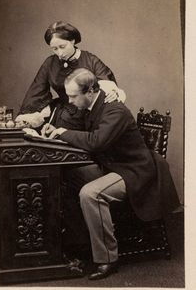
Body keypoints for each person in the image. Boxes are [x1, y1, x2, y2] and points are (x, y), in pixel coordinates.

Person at [41, 68, 180, 280]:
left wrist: (63, 133)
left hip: (136, 170)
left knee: (91, 193)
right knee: (69, 175)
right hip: (116, 166)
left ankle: (107, 259)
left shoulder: (114, 110)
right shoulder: (93, 105)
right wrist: (56, 131)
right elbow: (86, 135)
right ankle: (79, 242)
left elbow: (96, 142)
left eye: (73, 96)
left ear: (89, 91)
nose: (69, 101)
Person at [15, 21, 126, 130]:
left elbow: (106, 83)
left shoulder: (90, 60)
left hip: (86, 117)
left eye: (62, 46)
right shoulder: (50, 63)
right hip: (61, 114)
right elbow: (37, 90)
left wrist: (112, 92)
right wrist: (27, 116)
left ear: (72, 41)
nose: (60, 53)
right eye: (55, 49)